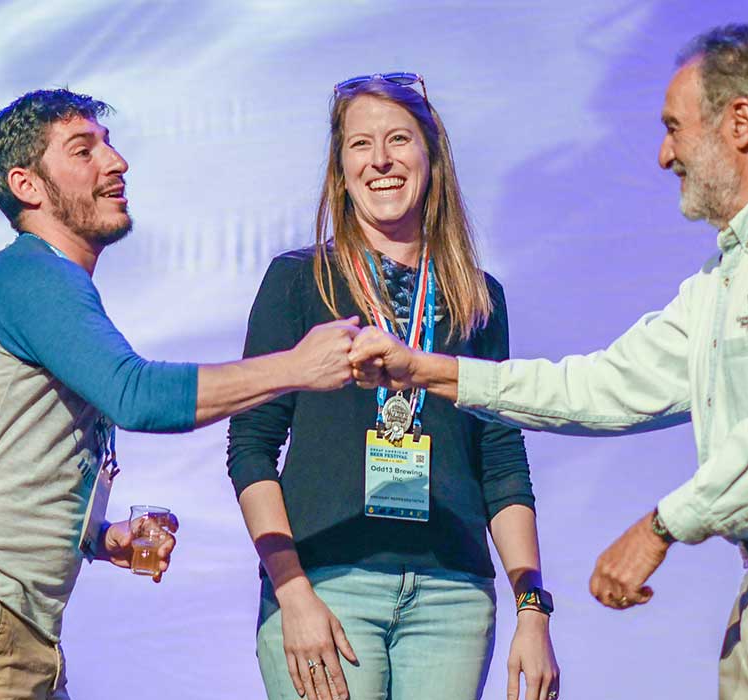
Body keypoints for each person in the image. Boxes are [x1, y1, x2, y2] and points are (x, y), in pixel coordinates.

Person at [351, 25, 748, 700]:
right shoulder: (730, 271)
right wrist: (431, 371)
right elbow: (603, 386)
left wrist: (662, 527)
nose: (664, 155)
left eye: (674, 128)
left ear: (742, 123)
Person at [0, 88, 360, 700]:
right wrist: (294, 366)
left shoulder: (50, 285)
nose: (116, 161)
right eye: (84, 150)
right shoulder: (31, 273)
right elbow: (137, 394)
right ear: (27, 185)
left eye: (109, 143)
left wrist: (99, 536)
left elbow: (13, 458)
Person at [228, 73, 559, 700]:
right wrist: (291, 591)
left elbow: (502, 462)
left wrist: (532, 609)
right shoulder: (300, 281)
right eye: (360, 145)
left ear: (431, 158)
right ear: (341, 166)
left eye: (399, 139)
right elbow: (250, 445)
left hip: (453, 598)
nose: (380, 160)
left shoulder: (478, 298)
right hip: (326, 584)